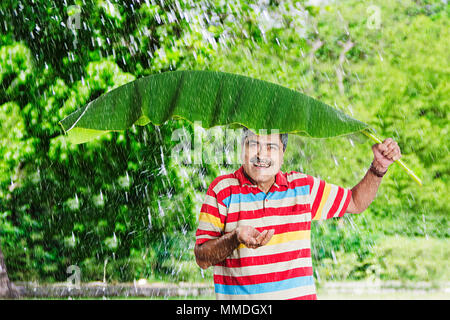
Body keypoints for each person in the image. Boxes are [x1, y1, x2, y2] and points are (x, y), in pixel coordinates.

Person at [194, 127, 401, 300]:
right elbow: (202, 258)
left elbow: (355, 202)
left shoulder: (302, 188)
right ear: (243, 149)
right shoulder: (222, 190)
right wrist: (235, 237)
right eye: (253, 144)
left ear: (283, 153)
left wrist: (379, 167)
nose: (261, 154)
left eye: (271, 147)